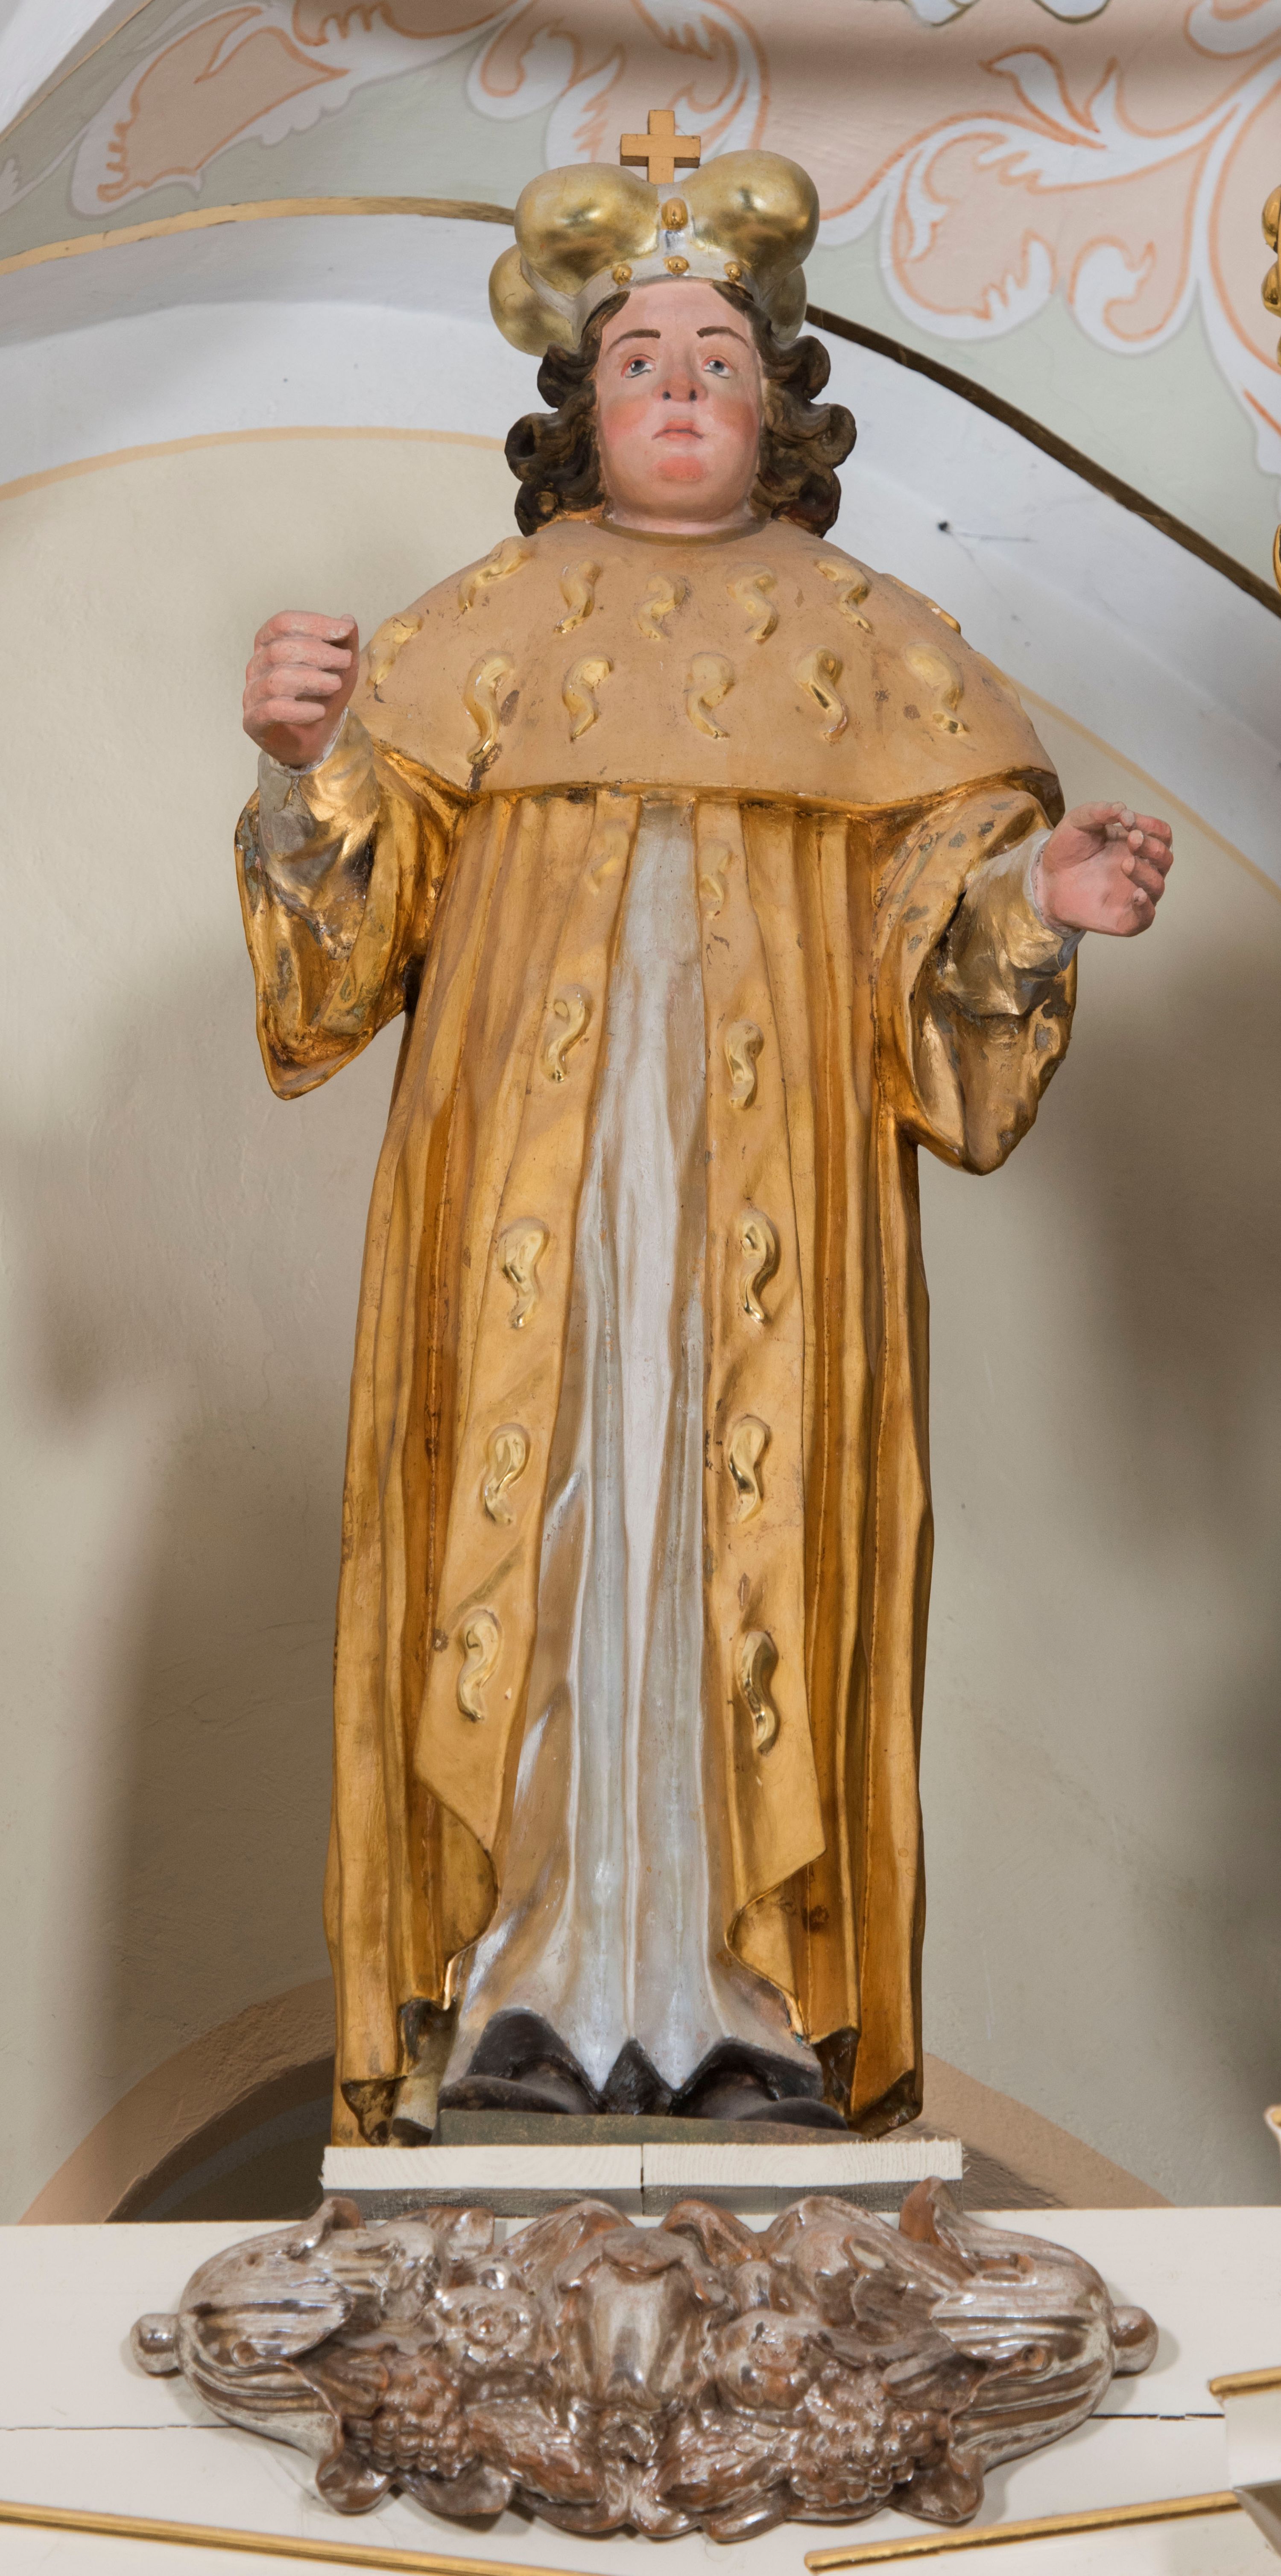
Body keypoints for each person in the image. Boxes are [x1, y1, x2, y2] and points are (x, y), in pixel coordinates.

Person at [238, 144, 1173, 2143]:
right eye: (639, 355)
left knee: (739, 1541)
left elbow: (940, 978)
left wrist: (1037, 905)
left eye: (720, 358)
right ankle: (530, 1983)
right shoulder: (475, 629)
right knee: (550, 1530)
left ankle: (734, 1997)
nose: (678, 382)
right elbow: (345, 956)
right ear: (580, 413)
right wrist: (305, 768)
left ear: (782, 408)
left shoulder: (882, 644)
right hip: (530, 1209)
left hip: (775, 1227)